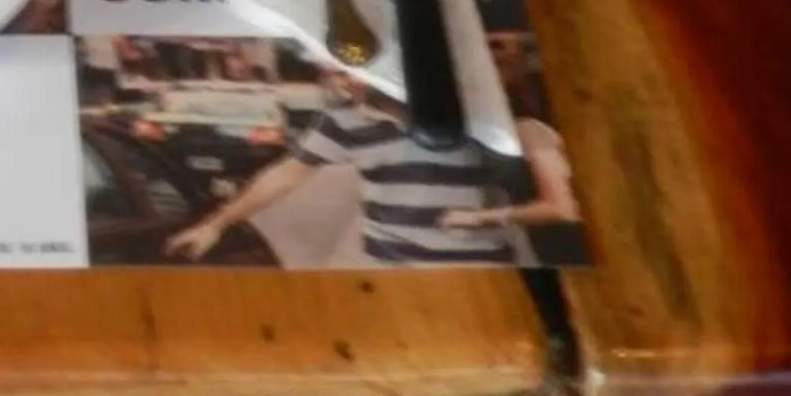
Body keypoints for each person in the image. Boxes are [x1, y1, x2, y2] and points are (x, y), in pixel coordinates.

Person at [165, 73, 573, 267]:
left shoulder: (481, 114)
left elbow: (556, 202)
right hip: (389, 278)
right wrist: (216, 225)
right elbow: (284, 175)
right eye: (337, 70)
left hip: (480, 277)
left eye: (353, 67)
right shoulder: (344, 122)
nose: (343, 81)